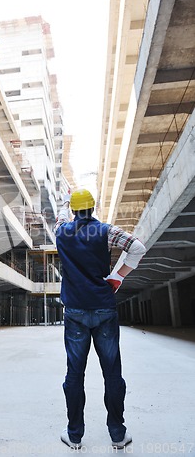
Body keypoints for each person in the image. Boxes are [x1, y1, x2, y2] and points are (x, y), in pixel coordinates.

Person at [54, 189, 146, 450]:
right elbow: (137, 248)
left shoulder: (62, 230)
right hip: (104, 309)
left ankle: (74, 435)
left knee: (74, 374)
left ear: (73, 210)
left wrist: (64, 199)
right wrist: (118, 276)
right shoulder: (106, 231)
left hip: (75, 312)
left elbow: (60, 217)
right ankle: (118, 434)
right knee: (112, 374)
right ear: (93, 208)